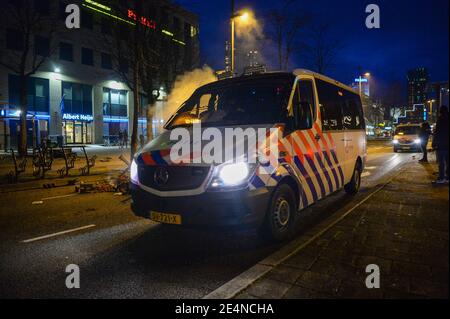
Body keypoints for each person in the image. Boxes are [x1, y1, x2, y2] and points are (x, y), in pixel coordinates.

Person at [432, 106, 449, 184]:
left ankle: (441, 178)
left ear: (440, 111)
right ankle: (448, 178)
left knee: (441, 162)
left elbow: (438, 132)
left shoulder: (440, 119)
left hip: (441, 145)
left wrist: (434, 143)